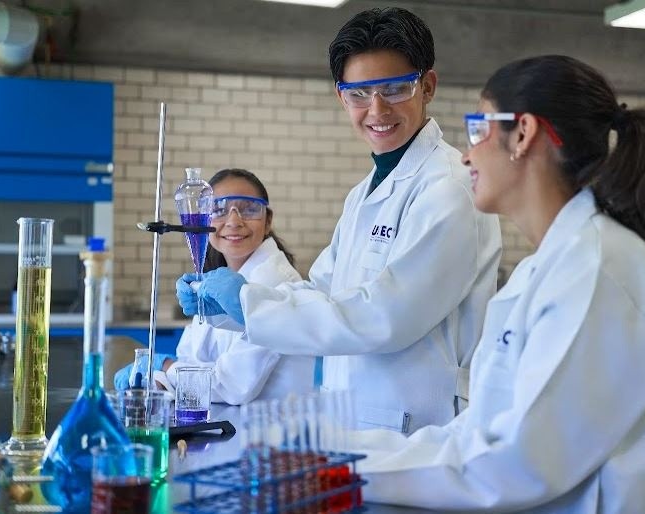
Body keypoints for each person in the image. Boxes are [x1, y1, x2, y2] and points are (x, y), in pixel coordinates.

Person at [343, 55, 645, 512]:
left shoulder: (596, 268)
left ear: (522, 133)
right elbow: (482, 432)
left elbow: (519, 463)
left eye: (478, 130)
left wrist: (344, 469)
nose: (467, 155)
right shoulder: (546, 268)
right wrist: (341, 454)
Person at [177, 7, 502, 434]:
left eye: (394, 89)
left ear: (427, 86)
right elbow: (321, 291)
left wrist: (250, 304)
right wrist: (231, 310)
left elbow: (386, 317)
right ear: (341, 97)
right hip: (360, 422)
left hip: (423, 426)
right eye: (359, 93)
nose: (377, 109)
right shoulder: (363, 194)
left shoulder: (449, 188)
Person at [114, 169, 315, 405]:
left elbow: (232, 385)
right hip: (222, 419)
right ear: (203, 219)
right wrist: (161, 379)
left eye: (249, 209)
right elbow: (189, 358)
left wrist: (164, 365)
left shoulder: (275, 281)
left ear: (268, 220)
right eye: (218, 209)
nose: (234, 221)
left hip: (271, 425)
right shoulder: (219, 281)